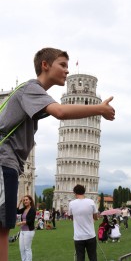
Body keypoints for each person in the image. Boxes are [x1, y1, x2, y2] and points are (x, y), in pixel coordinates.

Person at [0, 47, 115, 261]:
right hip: (4, 162)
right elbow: (61, 112)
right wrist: (99, 109)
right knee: (2, 228)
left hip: (11, 163)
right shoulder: (31, 89)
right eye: (62, 65)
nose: (67, 71)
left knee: (4, 227)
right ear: (45, 65)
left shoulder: (32, 93)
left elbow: (59, 112)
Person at [68, 184, 98, 261]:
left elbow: (71, 217)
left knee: (80, 257)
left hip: (78, 236)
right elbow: (95, 217)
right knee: (93, 257)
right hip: (90, 235)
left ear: (75, 193)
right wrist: (92, 220)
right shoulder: (91, 202)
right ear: (84, 192)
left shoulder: (71, 203)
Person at [16, 195, 36, 261]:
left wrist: (21, 223)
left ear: (30, 200)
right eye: (24, 200)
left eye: (26, 200)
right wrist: (19, 202)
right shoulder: (24, 209)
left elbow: (30, 220)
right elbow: (16, 211)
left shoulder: (32, 209)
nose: (25, 201)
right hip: (22, 231)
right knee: (21, 249)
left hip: (29, 231)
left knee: (27, 248)